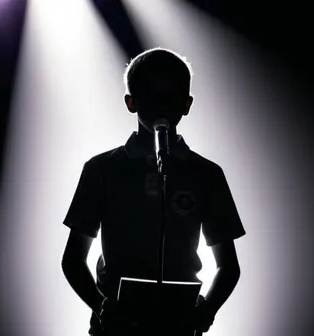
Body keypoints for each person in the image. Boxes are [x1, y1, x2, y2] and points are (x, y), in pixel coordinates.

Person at [61, 47, 246, 336]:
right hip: (115, 329)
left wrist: (207, 310)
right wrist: (101, 306)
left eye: (171, 93)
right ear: (130, 102)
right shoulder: (101, 169)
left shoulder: (207, 174)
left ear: (187, 103)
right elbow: (73, 259)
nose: (162, 102)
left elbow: (229, 266)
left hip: (179, 327)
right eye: (150, 92)